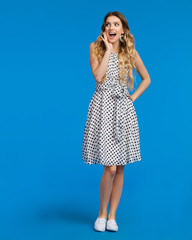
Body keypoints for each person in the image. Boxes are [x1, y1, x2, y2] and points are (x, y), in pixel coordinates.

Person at [82, 11, 151, 232]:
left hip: (123, 111)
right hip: (103, 109)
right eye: (108, 24)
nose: (112, 27)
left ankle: (112, 216)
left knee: (120, 167)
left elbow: (146, 78)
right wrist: (109, 52)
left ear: (122, 30)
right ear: (104, 29)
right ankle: (101, 213)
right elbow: (98, 77)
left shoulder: (130, 52)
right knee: (109, 168)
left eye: (116, 24)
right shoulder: (95, 47)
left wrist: (132, 97)